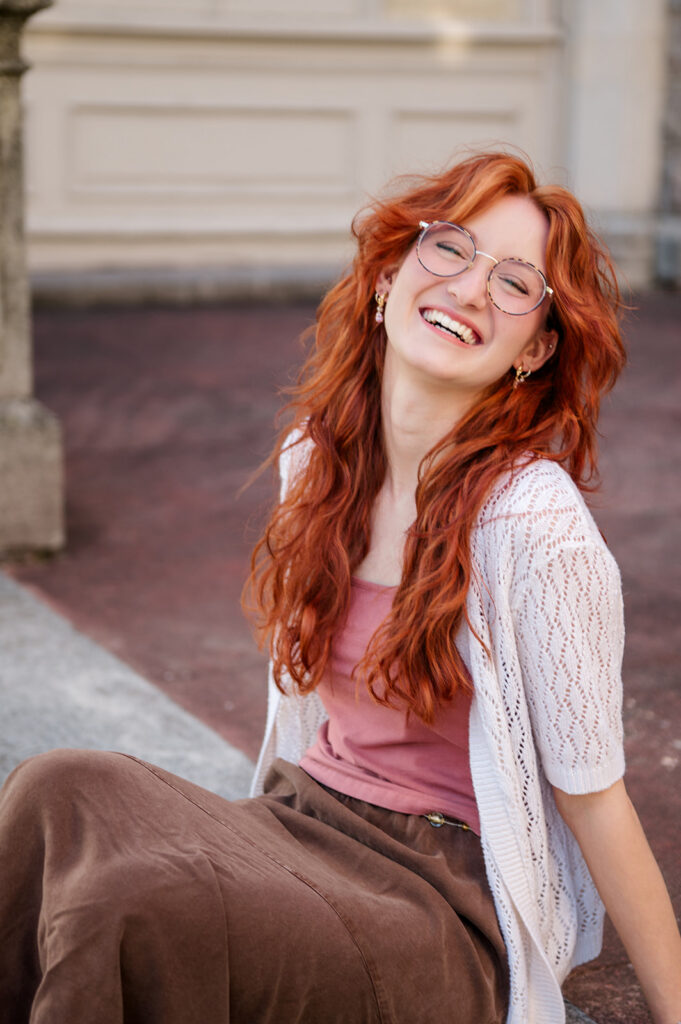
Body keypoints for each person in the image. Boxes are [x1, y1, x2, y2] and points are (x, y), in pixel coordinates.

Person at [0, 151, 679, 1024]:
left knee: (126, 900)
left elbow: (596, 796)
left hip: (441, 906)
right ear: (388, 275)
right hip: (307, 816)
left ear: (536, 348)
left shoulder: (533, 527)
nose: (471, 289)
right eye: (451, 250)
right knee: (58, 785)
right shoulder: (318, 461)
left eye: (515, 283)